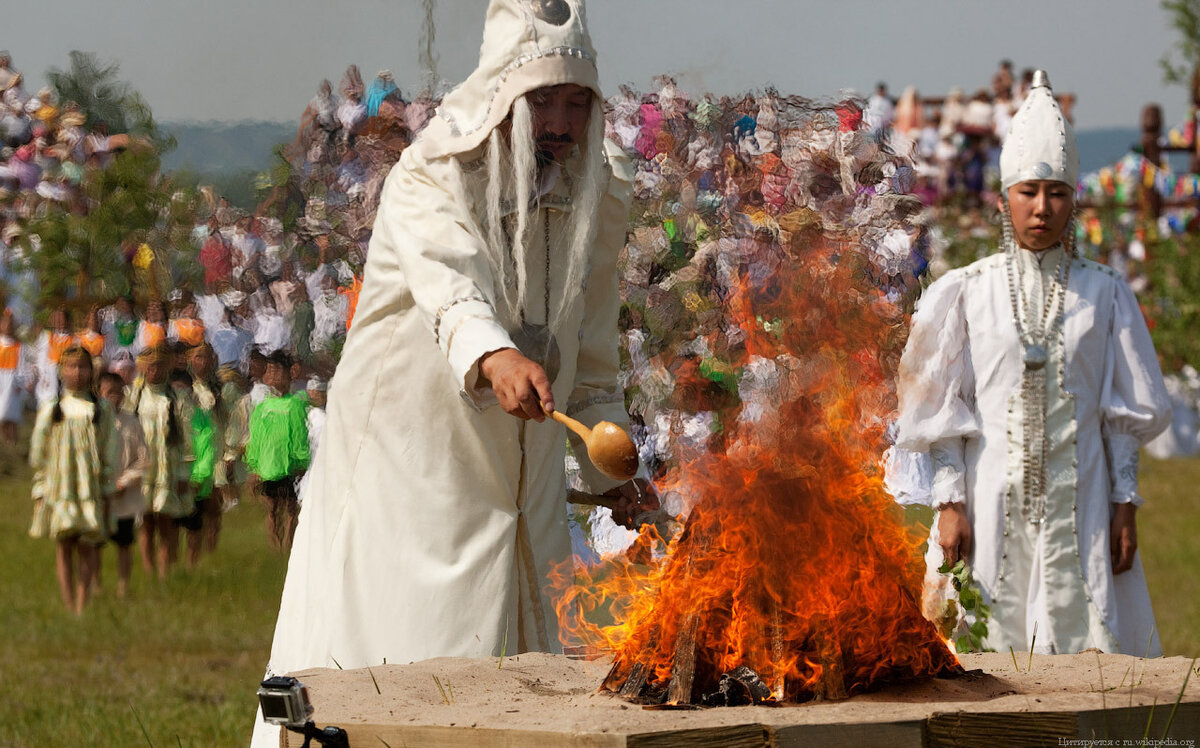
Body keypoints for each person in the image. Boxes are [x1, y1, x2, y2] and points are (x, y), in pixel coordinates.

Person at [253, 5, 646, 740]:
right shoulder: (433, 173)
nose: (560, 122)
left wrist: (615, 464)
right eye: (541, 101)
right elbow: (451, 287)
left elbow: (589, 358)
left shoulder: (599, 187)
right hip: (411, 481)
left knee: (535, 698)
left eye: (576, 101)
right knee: (401, 683)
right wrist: (493, 356)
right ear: (502, 93)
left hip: (522, 499)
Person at [894, 71, 1171, 656]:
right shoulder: (967, 292)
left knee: (1088, 661)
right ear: (1004, 199)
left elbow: (1123, 412)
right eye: (1028, 191)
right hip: (991, 498)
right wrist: (950, 503)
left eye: (1057, 193)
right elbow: (945, 408)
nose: (1042, 207)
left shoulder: (1107, 292)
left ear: (1073, 199)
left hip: (1086, 501)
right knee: (985, 653)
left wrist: (1125, 505)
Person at [28, 346, 118, 614]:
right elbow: (39, 454)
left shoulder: (101, 409)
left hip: (90, 490)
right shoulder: (51, 409)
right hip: (61, 489)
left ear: (91, 371)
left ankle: (82, 603)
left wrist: (107, 489)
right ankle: (68, 603)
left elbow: (109, 451)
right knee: (64, 545)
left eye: (82, 367)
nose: (76, 373)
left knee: (87, 545)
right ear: (61, 371)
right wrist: (41, 488)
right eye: (71, 367)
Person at [126, 344, 193, 579]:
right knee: (146, 521)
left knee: (166, 521)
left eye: (159, 366)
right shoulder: (133, 398)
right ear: (143, 368)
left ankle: (166, 571)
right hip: (142, 471)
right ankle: (148, 570)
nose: (154, 371)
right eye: (150, 366)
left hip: (169, 470)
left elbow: (187, 442)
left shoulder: (178, 400)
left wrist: (184, 475)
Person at [243, 351, 309, 552]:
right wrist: (254, 465)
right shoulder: (263, 407)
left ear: (290, 374)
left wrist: (300, 460)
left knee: (290, 507)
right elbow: (256, 437)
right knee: (271, 508)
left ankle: (289, 544)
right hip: (268, 465)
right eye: (270, 370)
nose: (274, 375)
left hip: (288, 464)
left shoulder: (295, 404)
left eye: (278, 370)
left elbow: (299, 433)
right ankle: (274, 544)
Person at [98, 371, 147, 598]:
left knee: (124, 543)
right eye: (109, 393)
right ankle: (95, 586)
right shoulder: (93, 422)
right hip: (100, 494)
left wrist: (124, 481)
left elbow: (144, 458)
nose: (114, 398)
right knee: (95, 543)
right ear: (99, 394)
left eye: (119, 393)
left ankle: (123, 587)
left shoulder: (132, 422)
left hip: (124, 495)